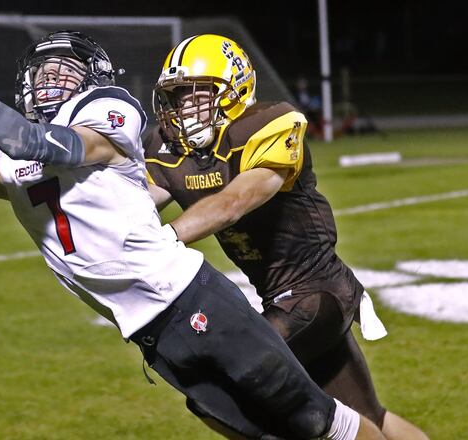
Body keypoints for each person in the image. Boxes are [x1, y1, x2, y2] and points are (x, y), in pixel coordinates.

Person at [0, 5, 386, 439]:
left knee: (319, 422)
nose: (50, 79)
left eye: (64, 70)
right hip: (147, 330)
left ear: (92, 78)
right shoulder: (10, 155)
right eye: (42, 71)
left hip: (190, 298)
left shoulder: (108, 111)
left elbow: (42, 143)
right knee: (263, 429)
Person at [143, 34, 428, 440]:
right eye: (176, 97)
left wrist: (162, 240)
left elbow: (234, 202)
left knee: (226, 385)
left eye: (196, 95)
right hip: (282, 300)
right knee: (370, 418)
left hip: (318, 293)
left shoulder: (266, 125)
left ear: (234, 89)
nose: (183, 108)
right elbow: (138, 208)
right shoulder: (167, 149)